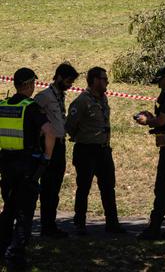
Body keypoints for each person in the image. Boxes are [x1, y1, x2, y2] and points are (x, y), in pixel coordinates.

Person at [0, 68, 56, 269]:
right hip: (27, 168)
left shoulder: (2, 105)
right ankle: (15, 255)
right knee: (24, 212)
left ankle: (3, 247)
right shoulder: (30, 107)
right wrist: (47, 158)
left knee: (8, 209)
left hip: (6, 166)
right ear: (30, 84)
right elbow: (50, 132)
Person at [65, 67, 126, 235]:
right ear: (94, 80)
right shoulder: (81, 101)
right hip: (86, 150)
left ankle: (112, 223)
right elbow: (70, 126)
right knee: (83, 187)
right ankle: (80, 224)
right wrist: (84, 136)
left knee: (108, 188)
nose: (107, 82)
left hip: (103, 150)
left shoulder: (103, 99)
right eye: (104, 79)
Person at [134, 67, 165, 240]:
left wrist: (148, 121)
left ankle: (155, 227)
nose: (158, 84)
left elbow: (162, 120)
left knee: (162, 186)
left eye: (160, 80)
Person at [33, 63, 79, 238]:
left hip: (60, 145)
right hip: (48, 145)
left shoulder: (60, 96)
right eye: (68, 81)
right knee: (48, 188)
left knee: (55, 188)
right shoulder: (44, 97)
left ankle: (50, 224)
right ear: (59, 77)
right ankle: (46, 226)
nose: (70, 85)